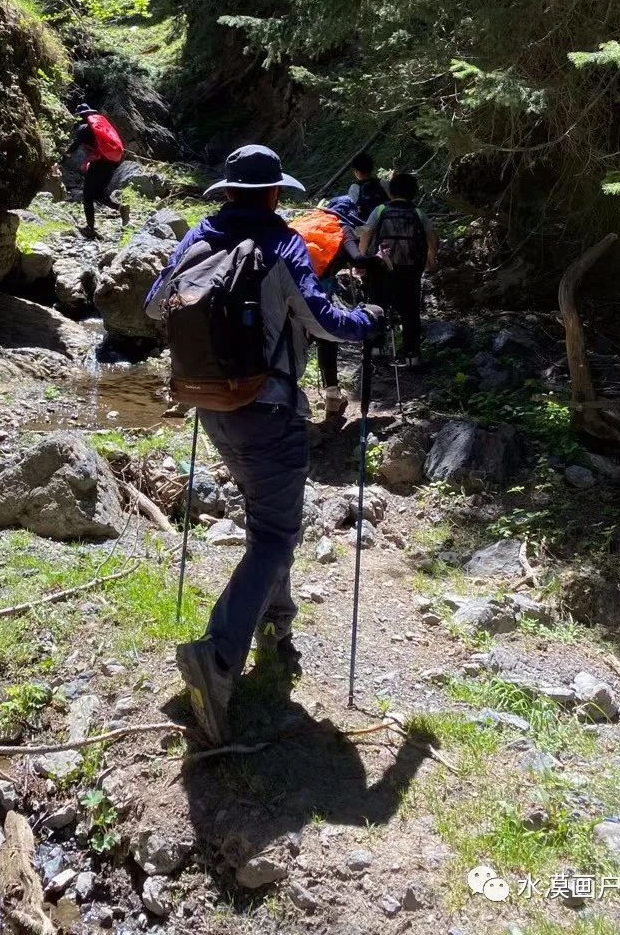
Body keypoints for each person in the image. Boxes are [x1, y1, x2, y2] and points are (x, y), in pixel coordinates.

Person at [145, 145, 383, 745]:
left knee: (269, 527)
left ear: (225, 191)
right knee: (277, 535)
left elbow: (154, 304)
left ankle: (277, 626)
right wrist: (373, 319)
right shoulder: (283, 245)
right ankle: (219, 656)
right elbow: (327, 321)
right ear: (276, 193)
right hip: (269, 410)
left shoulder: (197, 238)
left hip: (210, 407)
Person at [292, 195, 370, 417]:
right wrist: (377, 260)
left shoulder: (308, 221)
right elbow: (357, 259)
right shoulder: (342, 228)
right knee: (327, 337)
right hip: (317, 294)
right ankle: (332, 397)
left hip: (288, 290)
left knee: (293, 342)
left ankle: (285, 397)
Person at [359, 170, 439, 365]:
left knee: (377, 305)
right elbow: (433, 238)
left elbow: (366, 234)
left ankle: (376, 349)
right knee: (410, 310)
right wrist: (431, 257)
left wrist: (362, 258)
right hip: (411, 269)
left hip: (381, 267)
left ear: (391, 192)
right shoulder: (418, 213)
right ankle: (412, 355)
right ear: (414, 193)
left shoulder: (380, 211)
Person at [64, 103, 129, 237]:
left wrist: (61, 161)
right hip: (112, 163)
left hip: (99, 163)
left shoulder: (83, 129)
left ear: (81, 116)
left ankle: (90, 227)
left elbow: (74, 146)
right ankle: (121, 209)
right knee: (99, 194)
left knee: (87, 195)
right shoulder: (102, 127)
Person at [348, 152, 390, 224]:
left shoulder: (354, 188)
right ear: (371, 168)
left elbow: (355, 210)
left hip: (369, 226)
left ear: (357, 172)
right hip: (389, 220)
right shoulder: (383, 183)